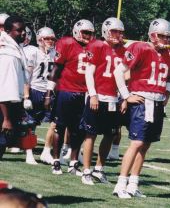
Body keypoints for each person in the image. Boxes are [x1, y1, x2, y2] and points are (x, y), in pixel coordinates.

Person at [113, 18, 170, 199]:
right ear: (153, 35)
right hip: (143, 100)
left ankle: (133, 184)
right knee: (137, 142)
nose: (166, 40)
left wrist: (168, 93)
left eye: (168, 37)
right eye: (162, 36)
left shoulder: (169, 54)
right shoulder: (139, 47)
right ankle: (120, 184)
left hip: (157, 102)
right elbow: (119, 72)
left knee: (145, 145)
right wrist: (126, 95)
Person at [45, 19, 95, 175]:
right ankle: (56, 161)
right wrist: (48, 92)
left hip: (84, 93)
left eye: (90, 33)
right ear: (76, 31)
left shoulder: (94, 47)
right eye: (85, 32)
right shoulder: (66, 43)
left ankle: (73, 163)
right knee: (60, 126)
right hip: (66, 91)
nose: (88, 35)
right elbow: (56, 69)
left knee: (78, 129)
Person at [81, 17, 126, 185]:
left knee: (110, 134)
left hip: (113, 98)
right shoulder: (97, 45)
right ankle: (86, 171)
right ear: (106, 31)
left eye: (120, 32)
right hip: (98, 96)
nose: (118, 35)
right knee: (90, 134)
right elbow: (89, 72)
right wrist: (92, 94)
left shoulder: (122, 50)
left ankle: (99, 169)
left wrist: (124, 97)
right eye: (115, 31)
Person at [22, 27, 57, 165]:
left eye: (53, 39)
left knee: (54, 122)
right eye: (48, 38)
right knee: (30, 124)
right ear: (40, 39)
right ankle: (29, 153)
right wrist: (26, 96)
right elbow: (27, 76)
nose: (51, 41)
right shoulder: (33, 53)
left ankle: (46, 151)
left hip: (50, 92)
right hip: (35, 90)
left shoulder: (54, 53)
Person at [0, 15, 28, 159]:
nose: (23, 33)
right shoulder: (7, 54)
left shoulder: (13, 48)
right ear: (8, 31)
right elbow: (4, 88)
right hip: (4, 107)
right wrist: (6, 118)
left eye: (24, 29)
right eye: (19, 30)